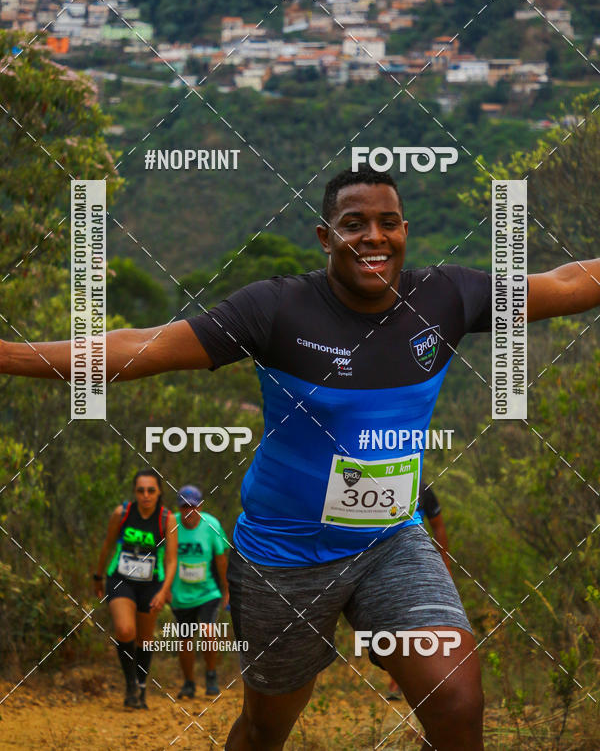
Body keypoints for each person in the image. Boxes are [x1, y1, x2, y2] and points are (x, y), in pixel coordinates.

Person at [3, 165, 600, 750]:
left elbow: (568, 283)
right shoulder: (277, 309)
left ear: (405, 231)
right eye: (354, 223)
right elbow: (140, 346)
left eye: (388, 223)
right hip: (282, 557)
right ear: (325, 236)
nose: (373, 237)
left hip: (390, 541)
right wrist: (8, 355)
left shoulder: (446, 298)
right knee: (266, 730)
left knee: (458, 704)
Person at [94, 468, 177, 709]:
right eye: (141, 491)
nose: (146, 495)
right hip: (121, 579)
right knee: (124, 629)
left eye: (151, 490)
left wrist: (163, 591)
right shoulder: (122, 513)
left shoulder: (167, 519)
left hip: (151, 584)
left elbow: (172, 560)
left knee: (145, 638)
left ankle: (141, 685)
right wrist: (98, 576)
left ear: (159, 492)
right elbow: (107, 545)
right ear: (134, 492)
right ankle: (130, 684)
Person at [388, 480, 450, 700]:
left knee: (420, 621)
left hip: (417, 563)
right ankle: (398, 682)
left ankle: (416, 682)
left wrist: (445, 565)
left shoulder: (423, 489)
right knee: (396, 622)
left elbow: (438, 526)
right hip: (387, 565)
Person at [171, 484, 229, 698]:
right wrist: (164, 589)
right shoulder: (171, 524)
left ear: (200, 507)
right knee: (185, 640)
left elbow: (221, 559)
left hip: (208, 592)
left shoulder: (211, 524)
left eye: (193, 507)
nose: (189, 512)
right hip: (181, 594)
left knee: (208, 632)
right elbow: (164, 558)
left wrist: (227, 590)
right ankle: (189, 683)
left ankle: (211, 675)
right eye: (184, 507)